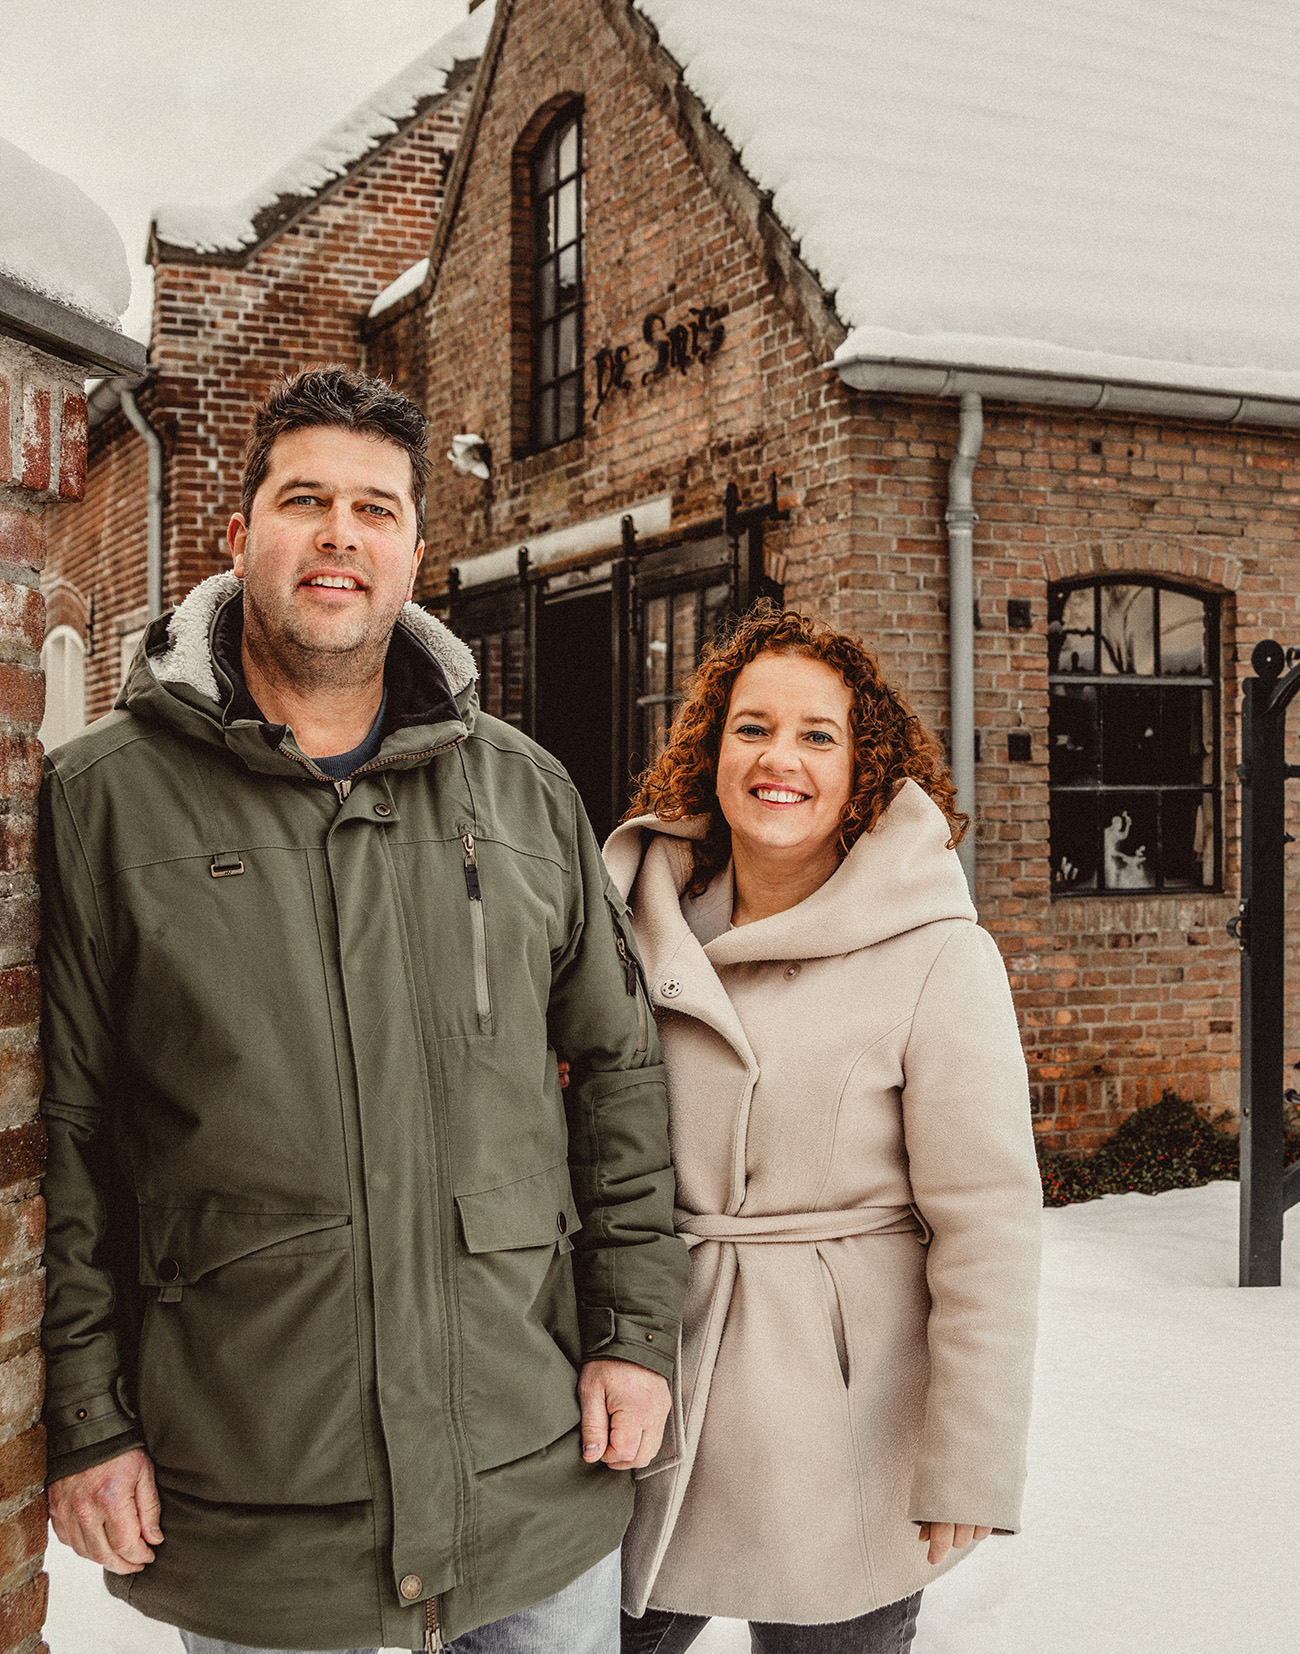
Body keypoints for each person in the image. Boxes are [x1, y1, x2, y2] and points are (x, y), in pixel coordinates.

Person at [39, 367, 687, 1654]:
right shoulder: (105, 800)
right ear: (238, 538)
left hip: (527, 1472)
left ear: (414, 555)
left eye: (376, 508)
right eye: (306, 500)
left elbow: (618, 1074)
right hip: (263, 1502)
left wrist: (633, 1332)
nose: (341, 534)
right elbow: (62, 1128)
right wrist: (88, 1414)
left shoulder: (525, 793)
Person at [604, 605, 1042, 1654]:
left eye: (817, 735)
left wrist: (969, 1458)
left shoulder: (937, 953)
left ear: (863, 769)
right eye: (751, 727)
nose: (779, 759)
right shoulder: (623, 924)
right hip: (646, 1386)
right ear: (711, 750)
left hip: (846, 1418)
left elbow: (987, 1227)